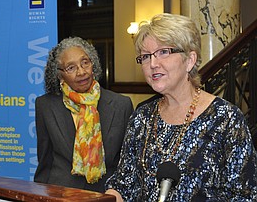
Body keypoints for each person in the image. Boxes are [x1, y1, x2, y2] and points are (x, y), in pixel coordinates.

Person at [105, 13, 257, 201]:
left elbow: (245, 195)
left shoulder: (226, 119)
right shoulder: (142, 117)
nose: (152, 64)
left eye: (164, 52)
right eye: (145, 56)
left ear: (190, 60)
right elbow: (123, 185)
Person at [34, 36, 134, 193]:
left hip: (106, 194)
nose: (81, 72)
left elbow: (128, 161)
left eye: (85, 63)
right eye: (71, 68)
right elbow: (45, 160)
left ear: (93, 64)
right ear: (59, 75)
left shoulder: (121, 105)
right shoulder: (45, 105)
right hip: (61, 193)